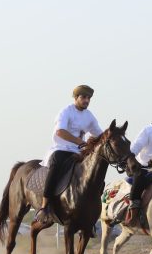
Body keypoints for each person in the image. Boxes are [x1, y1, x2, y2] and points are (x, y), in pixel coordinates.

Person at [36, 85, 103, 222]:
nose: (86, 100)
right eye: (83, 97)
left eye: (89, 98)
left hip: (79, 152)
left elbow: (99, 135)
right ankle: (44, 207)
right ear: (76, 97)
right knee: (55, 167)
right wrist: (80, 142)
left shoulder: (89, 116)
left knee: (95, 170)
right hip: (61, 149)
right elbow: (60, 132)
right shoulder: (66, 111)